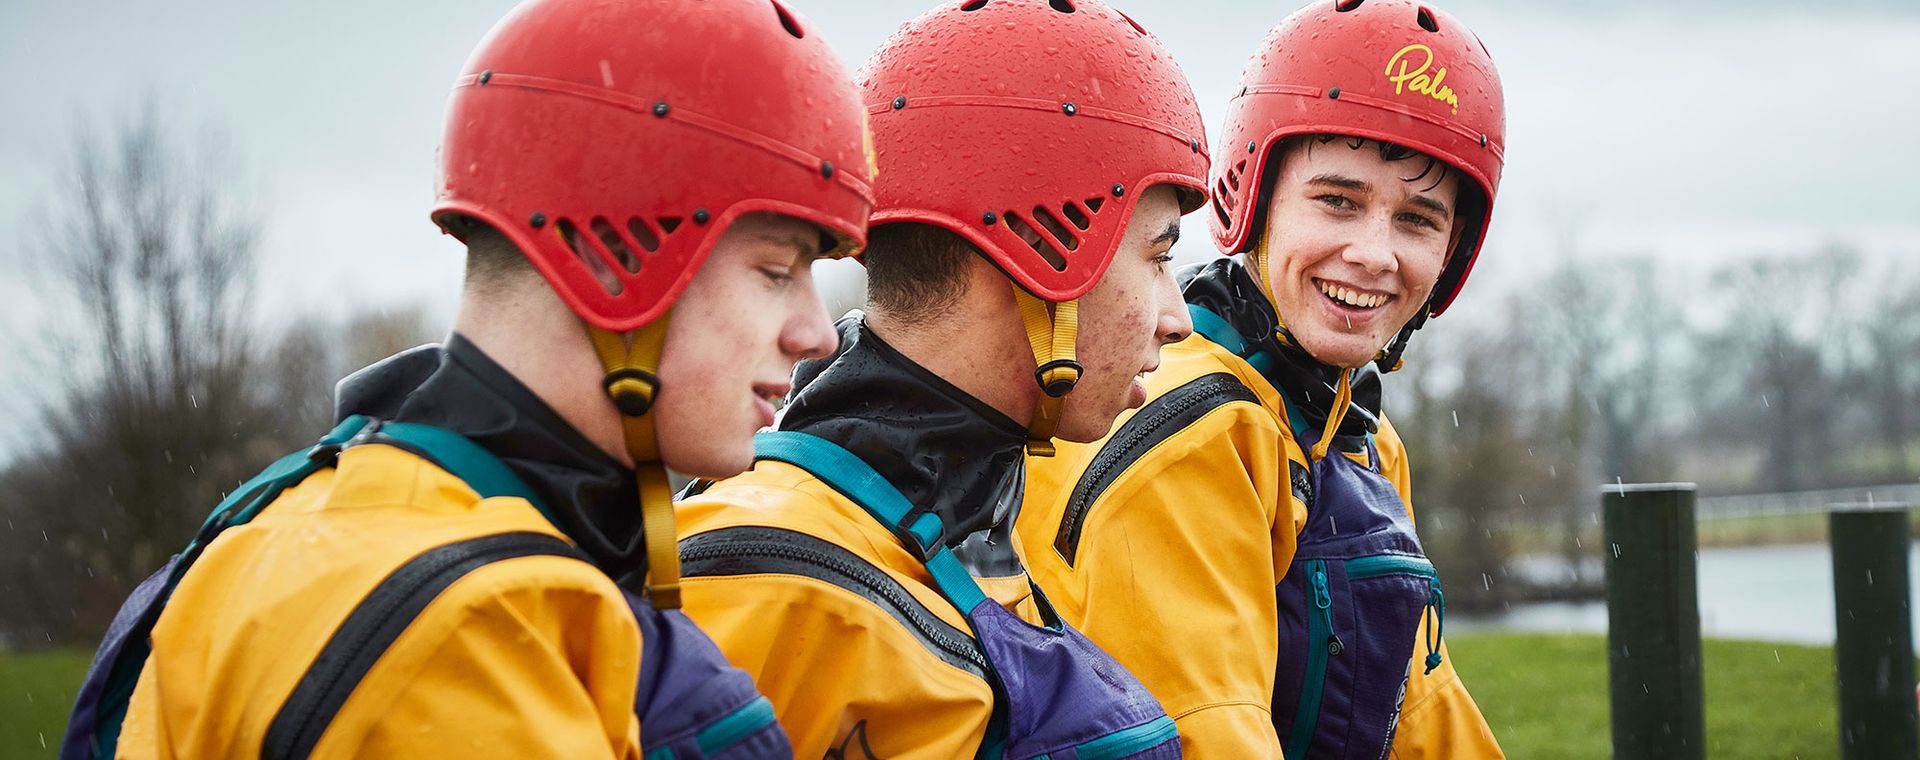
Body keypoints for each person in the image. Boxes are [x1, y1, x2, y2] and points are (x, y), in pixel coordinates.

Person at [61, 0, 870, 757]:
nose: (814, 332)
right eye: (775, 270)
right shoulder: (466, 627)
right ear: (617, 251)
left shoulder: (314, 510)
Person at [669, 0, 1211, 756]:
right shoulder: (767, 575)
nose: (1178, 318)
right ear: (1040, 257)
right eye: (1157, 257)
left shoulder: (982, 521)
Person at [1016, 0, 1508, 756]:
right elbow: (1206, 728)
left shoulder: (1361, 438)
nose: (1374, 254)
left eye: (1418, 219)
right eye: (1337, 201)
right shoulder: (1190, 433)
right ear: (1254, 197)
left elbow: (1418, 711)